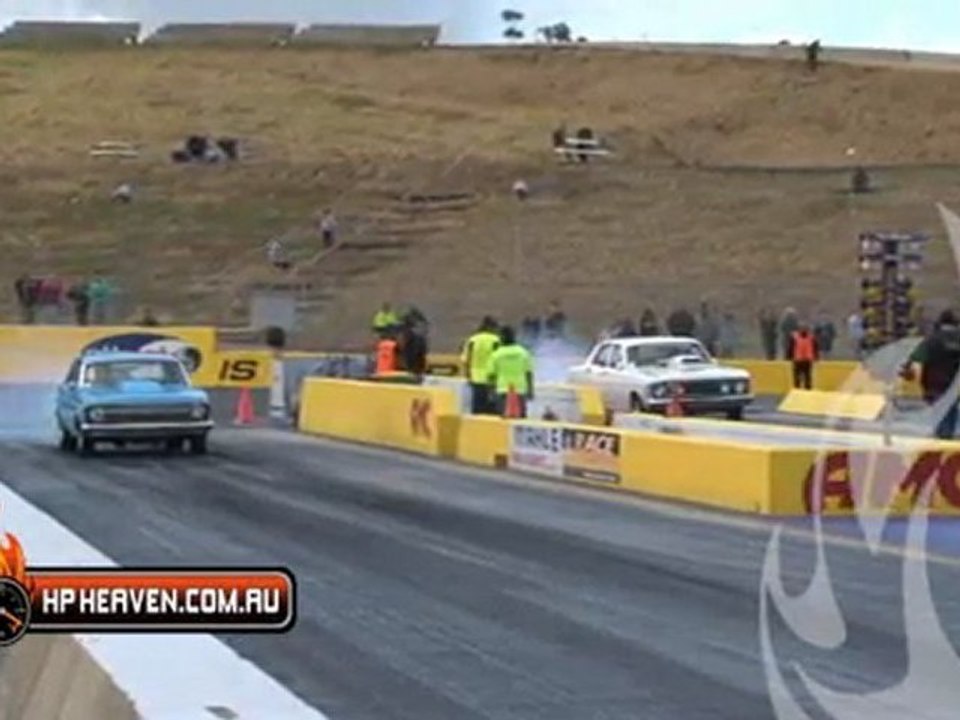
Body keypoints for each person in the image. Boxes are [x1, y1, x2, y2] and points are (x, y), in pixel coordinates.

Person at [901, 309, 960, 440]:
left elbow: (916, 360)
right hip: (954, 385)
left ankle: (942, 439)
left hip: (934, 384)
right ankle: (949, 438)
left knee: (940, 413)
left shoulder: (931, 340)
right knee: (951, 410)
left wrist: (908, 371)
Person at [487, 325, 534, 418]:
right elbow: (528, 373)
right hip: (520, 389)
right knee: (521, 418)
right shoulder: (523, 352)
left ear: (501, 338)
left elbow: (491, 376)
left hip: (502, 389)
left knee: (504, 418)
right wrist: (530, 390)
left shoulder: (496, 354)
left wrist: (491, 392)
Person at [461, 316, 501, 414]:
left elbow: (466, 360)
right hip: (492, 380)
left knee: (477, 410)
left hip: (475, 378)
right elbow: (499, 360)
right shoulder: (496, 340)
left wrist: (468, 376)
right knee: (492, 411)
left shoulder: (472, 340)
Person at [787, 323, 819, 389]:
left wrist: (816, 356)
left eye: (804, 328)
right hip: (799, 359)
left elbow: (815, 347)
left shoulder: (811, 337)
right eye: (802, 328)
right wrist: (789, 356)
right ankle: (799, 388)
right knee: (800, 376)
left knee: (806, 376)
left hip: (805, 359)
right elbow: (791, 347)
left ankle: (805, 388)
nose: (803, 330)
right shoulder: (795, 337)